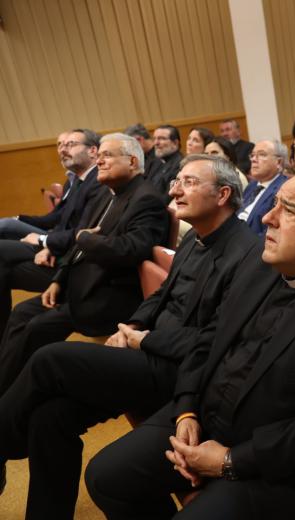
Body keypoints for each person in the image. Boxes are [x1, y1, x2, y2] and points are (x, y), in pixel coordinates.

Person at [85, 173, 295, 520]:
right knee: (105, 477)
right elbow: (207, 340)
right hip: (204, 420)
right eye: (274, 204)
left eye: (289, 211)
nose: (267, 217)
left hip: (277, 463)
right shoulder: (260, 261)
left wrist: (229, 461)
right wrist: (187, 411)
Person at [0, 155, 259, 519]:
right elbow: (160, 295)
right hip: (146, 355)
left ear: (223, 194)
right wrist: (133, 326)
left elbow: (215, 341)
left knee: (50, 358)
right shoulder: (192, 239)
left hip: (179, 372)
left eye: (188, 182)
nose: (174, 188)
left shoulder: (248, 254)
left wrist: (144, 340)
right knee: (50, 416)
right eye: (176, 180)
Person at [0, 133, 169, 395]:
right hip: (77, 285)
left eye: (107, 156)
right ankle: (7, 383)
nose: (99, 161)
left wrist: (86, 238)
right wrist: (58, 279)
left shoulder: (147, 199)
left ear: (133, 161)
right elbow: (79, 242)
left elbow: (131, 250)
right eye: (99, 156)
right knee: (22, 313)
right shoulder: (106, 194)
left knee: (34, 328)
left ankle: (11, 394)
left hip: (103, 295)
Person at [0, 130, 105, 335]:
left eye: (71, 144)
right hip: (58, 248)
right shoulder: (79, 181)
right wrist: (47, 243)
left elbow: (82, 232)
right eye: (60, 145)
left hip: (73, 259)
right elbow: (62, 222)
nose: (63, 150)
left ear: (93, 151)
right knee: (4, 268)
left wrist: (44, 240)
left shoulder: (96, 182)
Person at [238, 140, 288, 238]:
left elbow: (272, 232)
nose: (253, 159)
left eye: (261, 155)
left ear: (278, 162)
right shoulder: (252, 186)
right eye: (252, 155)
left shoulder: (283, 189)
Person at [146, 125, 184, 199]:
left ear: (175, 143)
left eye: (162, 138)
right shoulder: (155, 162)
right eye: (155, 139)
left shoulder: (181, 165)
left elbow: (169, 197)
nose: (156, 143)